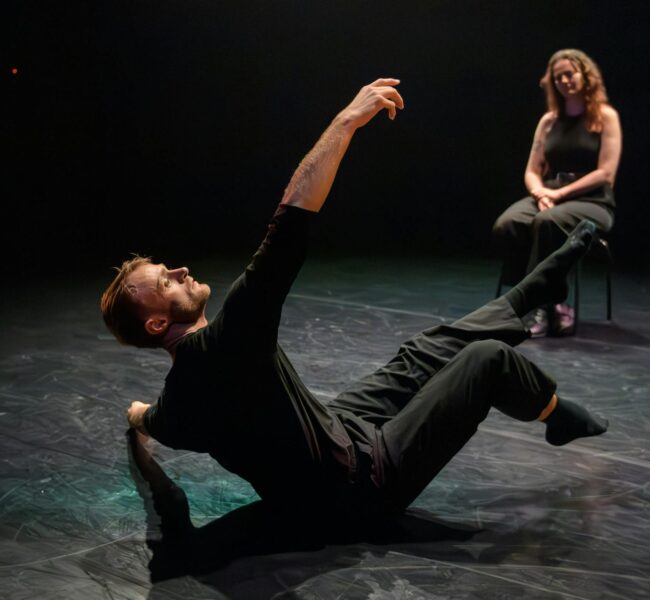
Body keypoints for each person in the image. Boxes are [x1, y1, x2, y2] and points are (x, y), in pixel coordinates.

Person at [101, 78, 608, 524]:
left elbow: (152, 418)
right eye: (165, 281)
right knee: (486, 361)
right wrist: (346, 122)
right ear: (156, 323)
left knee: (420, 354)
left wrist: (136, 415)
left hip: (334, 440)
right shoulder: (228, 338)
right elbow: (290, 218)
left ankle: (532, 291)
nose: (179, 270)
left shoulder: (178, 405)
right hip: (360, 488)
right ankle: (553, 411)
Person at [492, 49, 622, 337]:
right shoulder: (549, 121)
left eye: (570, 73)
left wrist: (559, 197)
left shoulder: (605, 117)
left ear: (585, 75)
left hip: (593, 200)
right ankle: (534, 302)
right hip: (550, 195)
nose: (564, 80)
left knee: (547, 222)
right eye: (558, 76)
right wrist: (540, 193)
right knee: (509, 223)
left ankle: (544, 303)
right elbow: (532, 170)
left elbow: (606, 173)